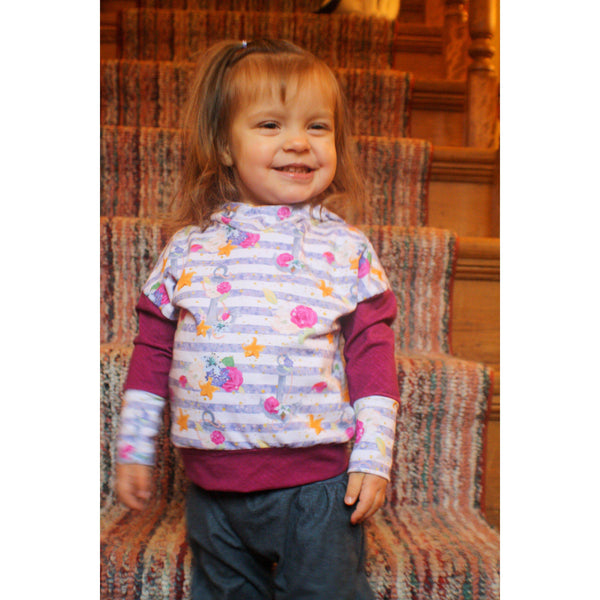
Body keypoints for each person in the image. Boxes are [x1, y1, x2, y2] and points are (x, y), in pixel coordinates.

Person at [115, 38, 400, 600]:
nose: (298, 142)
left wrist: (374, 455)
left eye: (318, 127)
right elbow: (152, 351)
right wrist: (133, 446)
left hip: (318, 489)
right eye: (270, 124)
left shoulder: (346, 249)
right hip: (211, 491)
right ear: (224, 145)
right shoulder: (187, 248)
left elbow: (372, 351)